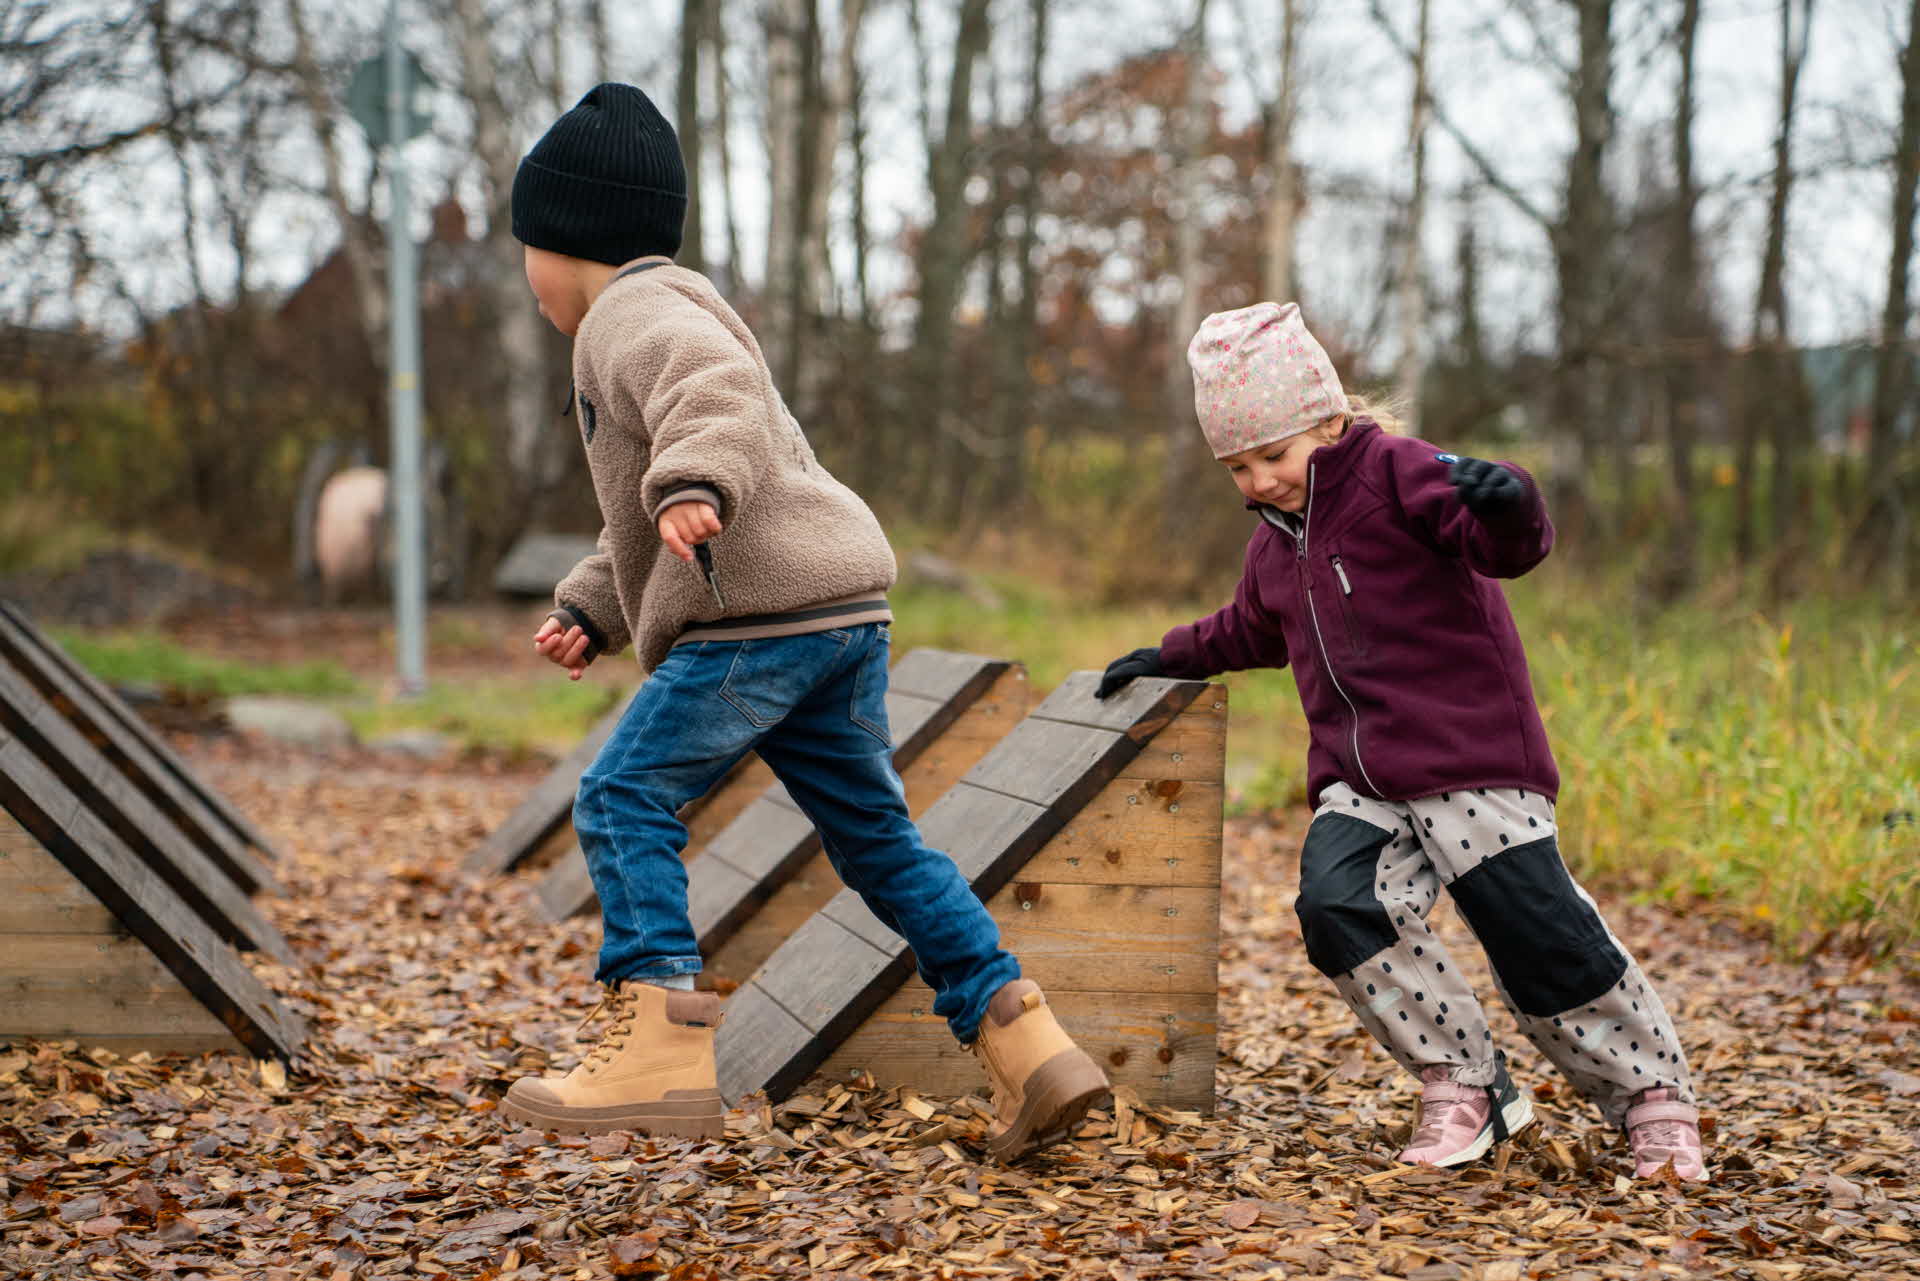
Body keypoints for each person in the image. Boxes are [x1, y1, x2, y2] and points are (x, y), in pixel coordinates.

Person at [499, 83, 1108, 1161]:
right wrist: (591, 605)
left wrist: (692, 480)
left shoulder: (629, 319)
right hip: (838, 616)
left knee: (623, 791)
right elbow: (635, 523)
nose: (529, 278)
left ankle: (659, 1046)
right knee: (878, 839)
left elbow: (716, 397)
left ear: (567, 239)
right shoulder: (675, 304)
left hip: (758, 623)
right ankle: (1022, 1032)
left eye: (527, 252)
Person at [1097, 302, 1705, 1180]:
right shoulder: (1275, 545)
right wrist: (1167, 655)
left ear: (1327, 420)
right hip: (1363, 777)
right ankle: (1466, 1081)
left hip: (1473, 760)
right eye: (1237, 465)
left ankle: (1652, 1096)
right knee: (1336, 903)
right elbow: (1252, 629)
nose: (1258, 480)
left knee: (1537, 934)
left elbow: (1503, 544)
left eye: (1272, 455)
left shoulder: (1397, 473)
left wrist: (1512, 502)